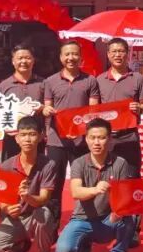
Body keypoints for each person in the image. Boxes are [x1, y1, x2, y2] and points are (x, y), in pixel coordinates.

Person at [55, 118, 134, 252]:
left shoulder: (120, 163)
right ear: (86, 139)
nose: (97, 142)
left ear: (110, 139)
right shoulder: (79, 163)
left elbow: (125, 195)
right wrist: (95, 190)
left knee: (130, 217)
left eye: (102, 138)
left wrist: (118, 211)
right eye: (92, 137)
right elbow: (76, 192)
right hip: (82, 219)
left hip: (108, 219)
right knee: (63, 251)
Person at [0, 116, 60, 252]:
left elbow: (43, 199)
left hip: (36, 215)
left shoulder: (48, 165)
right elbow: (2, 202)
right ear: (17, 138)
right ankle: (20, 246)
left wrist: (27, 197)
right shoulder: (6, 166)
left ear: (40, 137)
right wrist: (8, 209)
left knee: (44, 214)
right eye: (23, 135)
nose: (27, 139)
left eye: (32, 134)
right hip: (16, 218)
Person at [42, 41, 100, 223]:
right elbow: (47, 107)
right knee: (54, 185)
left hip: (81, 141)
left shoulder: (90, 80)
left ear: (81, 57)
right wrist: (46, 110)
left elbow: (93, 111)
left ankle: (84, 226)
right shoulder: (50, 81)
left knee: (84, 184)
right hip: (56, 141)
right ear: (61, 57)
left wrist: (80, 130)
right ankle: (51, 229)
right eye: (67, 54)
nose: (71, 58)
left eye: (75, 54)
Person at [96, 37, 143, 178]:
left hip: (129, 137)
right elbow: (94, 109)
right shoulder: (99, 80)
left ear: (127, 54)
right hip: (107, 138)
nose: (117, 55)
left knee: (131, 177)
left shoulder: (137, 78)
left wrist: (139, 107)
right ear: (108, 54)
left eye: (121, 51)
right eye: (114, 51)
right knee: (107, 178)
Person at [0, 44, 46, 161]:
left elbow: (50, 107)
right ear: (13, 61)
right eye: (19, 58)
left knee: (38, 168)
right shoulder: (4, 85)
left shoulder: (43, 83)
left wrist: (42, 108)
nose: (23, 61)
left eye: (27, 58)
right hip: (12, 137)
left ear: (33, 60)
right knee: (10, 169)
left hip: (35, 138)